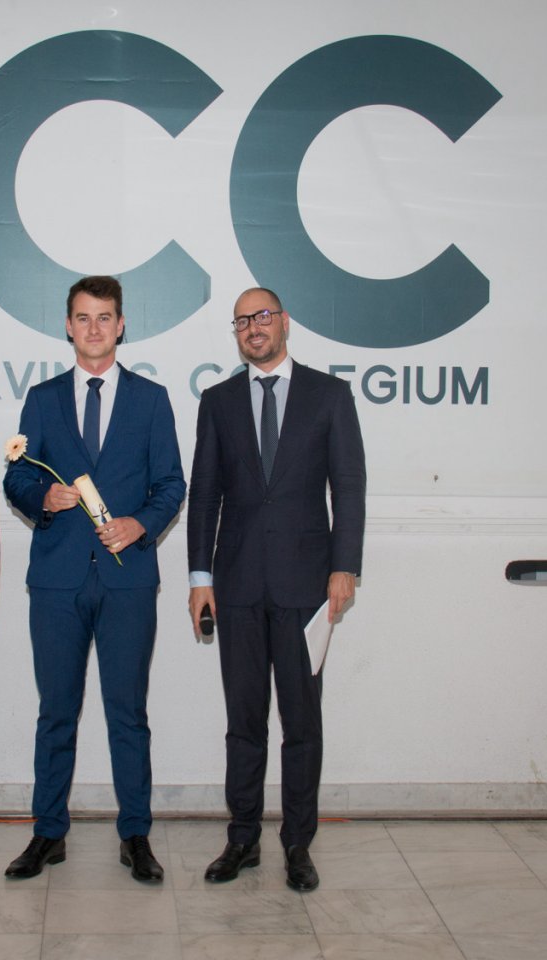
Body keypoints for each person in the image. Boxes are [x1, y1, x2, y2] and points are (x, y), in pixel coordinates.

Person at [3, 275, 185, 883]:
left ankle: (135, 834)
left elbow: (172, 484)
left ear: (121, 324)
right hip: (57, 583)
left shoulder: (151, 400)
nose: (94, 328)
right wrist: (43, 497)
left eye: (104, 317)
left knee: (127, 713)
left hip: (127, 582)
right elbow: (15, 479)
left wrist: (141, 524)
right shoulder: (43, 398)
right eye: (83, 318)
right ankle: (47, 833)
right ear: (68, 325)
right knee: (56, 712)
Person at [186, 286, 366, 892]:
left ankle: (297, 844)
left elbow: (349, 485)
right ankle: (242, 838)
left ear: (284, 322)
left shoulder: (329, 395)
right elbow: (204, 494)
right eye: (242, 321)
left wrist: (345, 566)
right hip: (235, 586)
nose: (253, 328)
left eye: (262, 317)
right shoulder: (218, 401)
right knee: (244, 721)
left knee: (301, 723)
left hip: (306, 587)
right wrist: (200, 578)